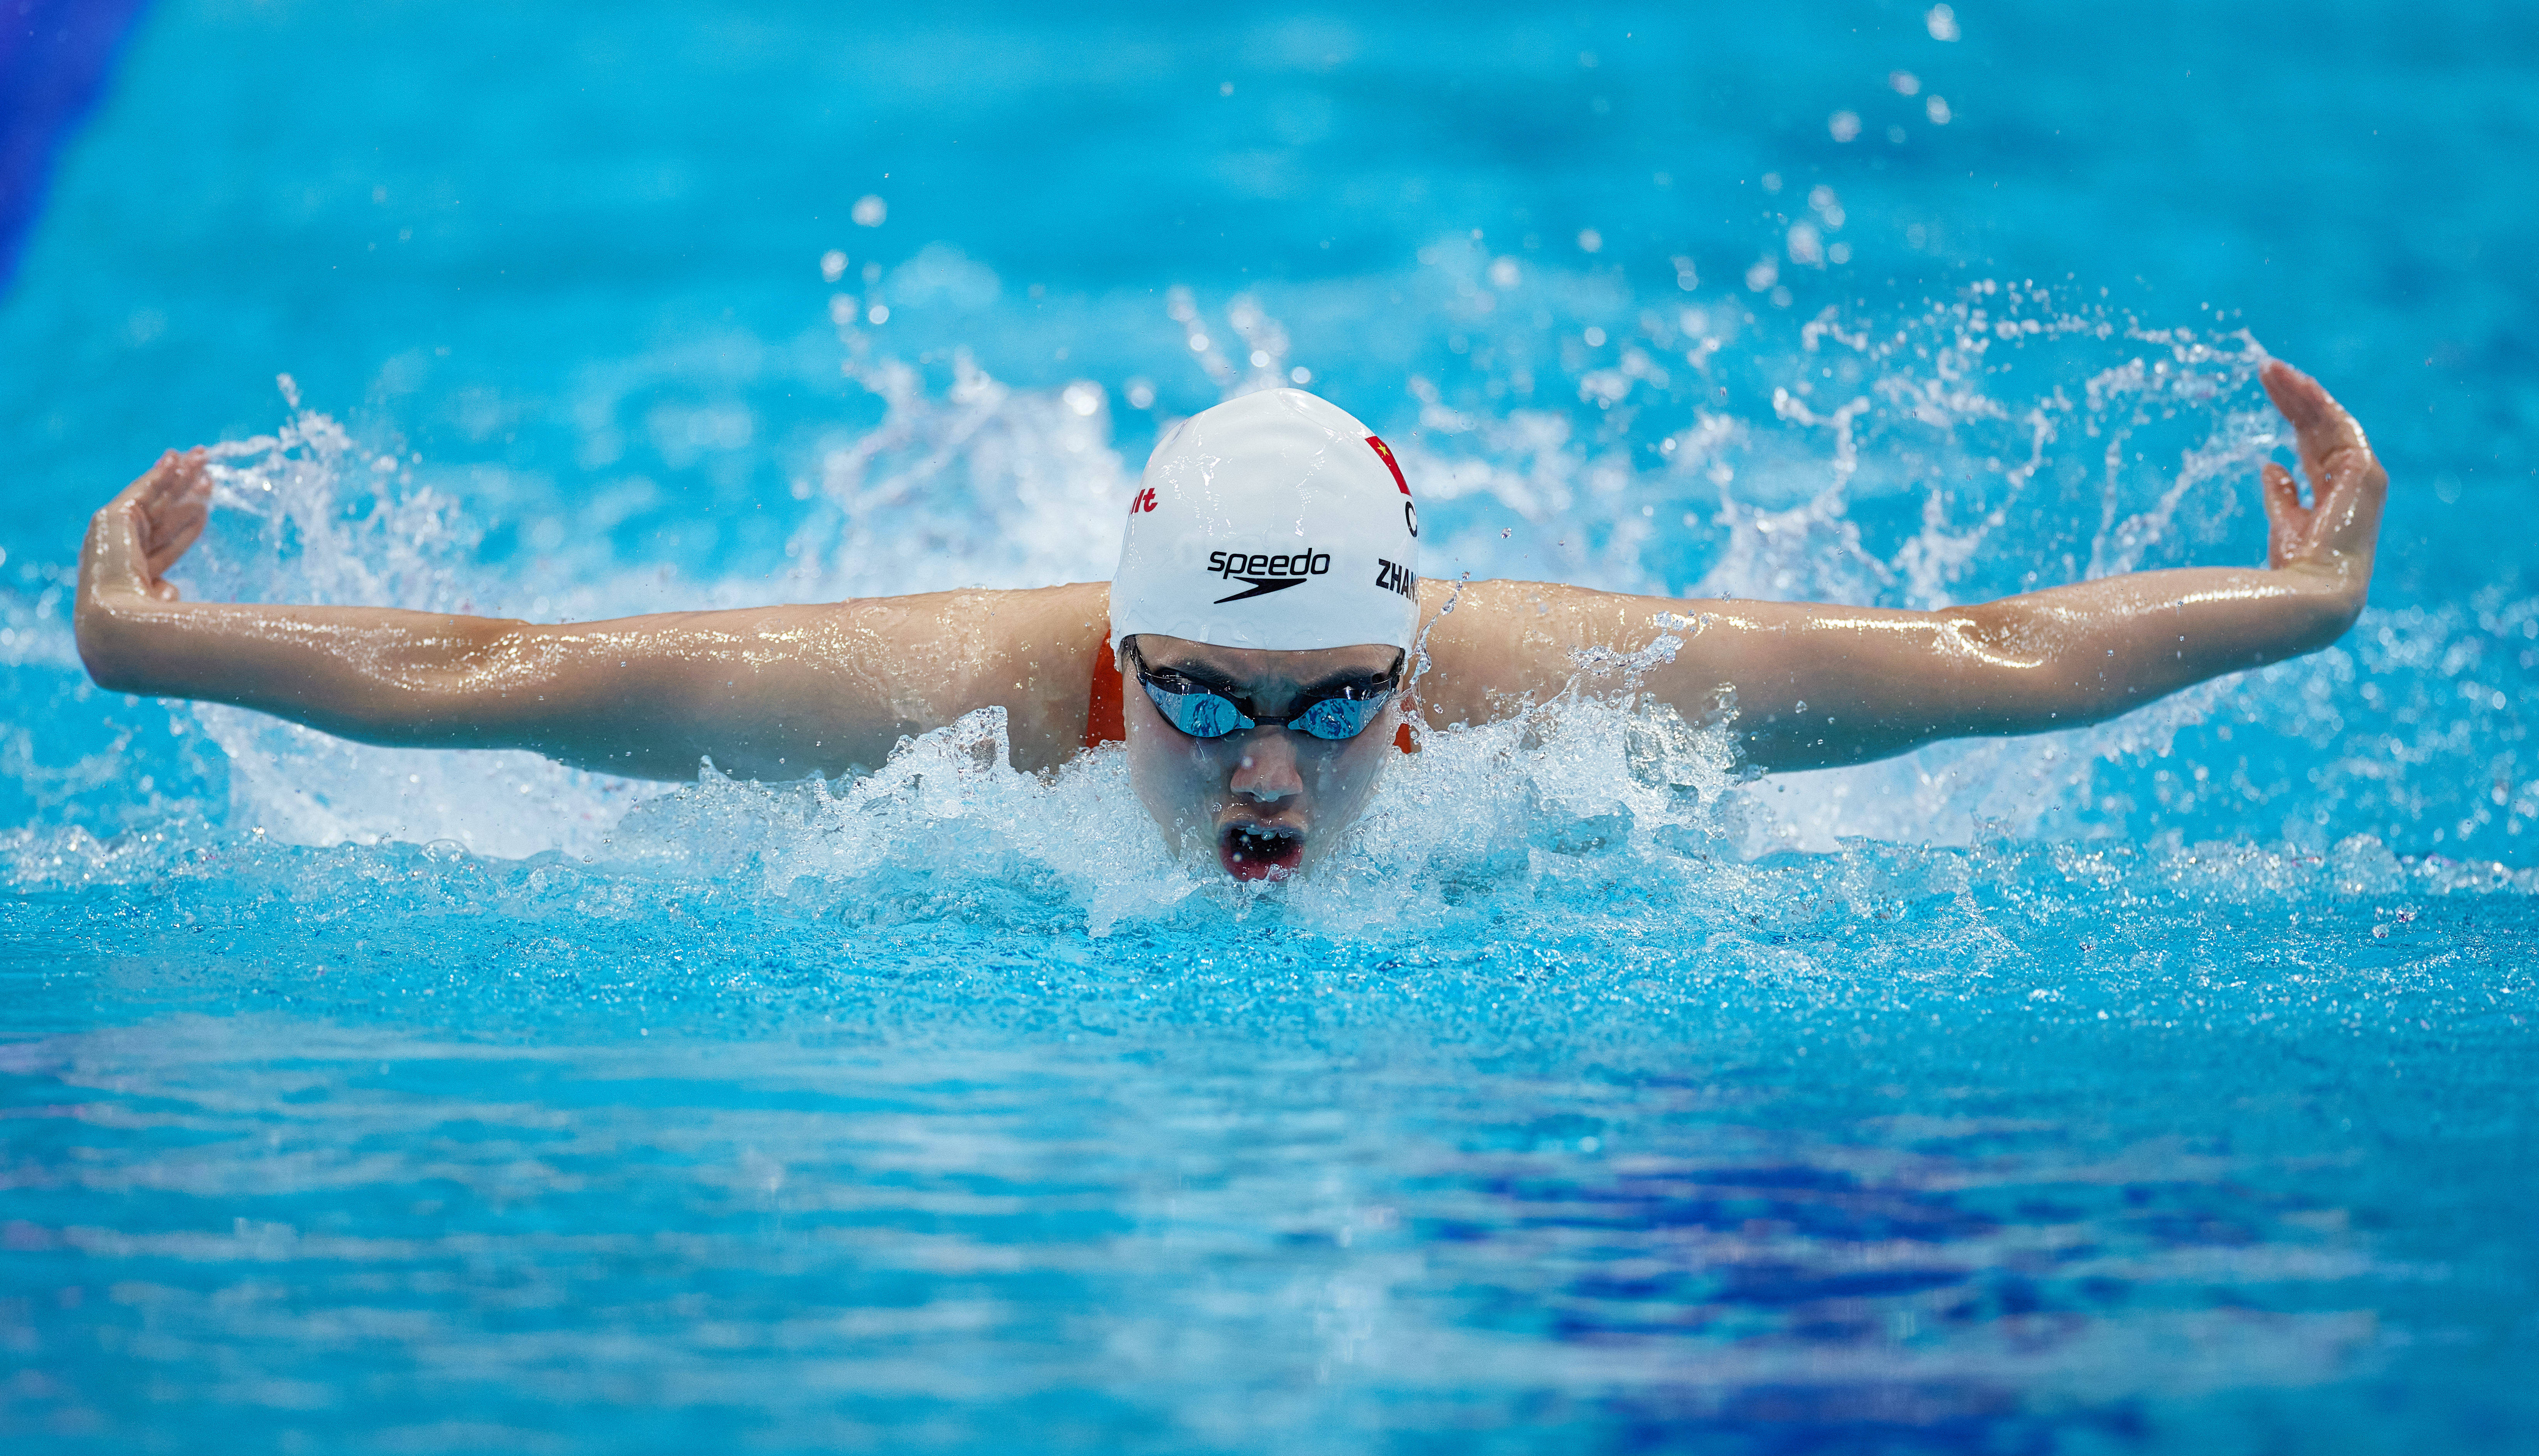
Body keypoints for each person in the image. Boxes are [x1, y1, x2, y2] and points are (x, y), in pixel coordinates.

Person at [75, 363, 2385, 882]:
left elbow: (1976, 658)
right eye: (1197, 699)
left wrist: (2298, 601)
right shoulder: (963, 711)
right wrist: (160, 646)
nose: (1269, 773)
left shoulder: (1528, 682)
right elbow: (523, 681)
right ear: (1117, 648)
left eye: (1333, 709)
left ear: (1414, 664)